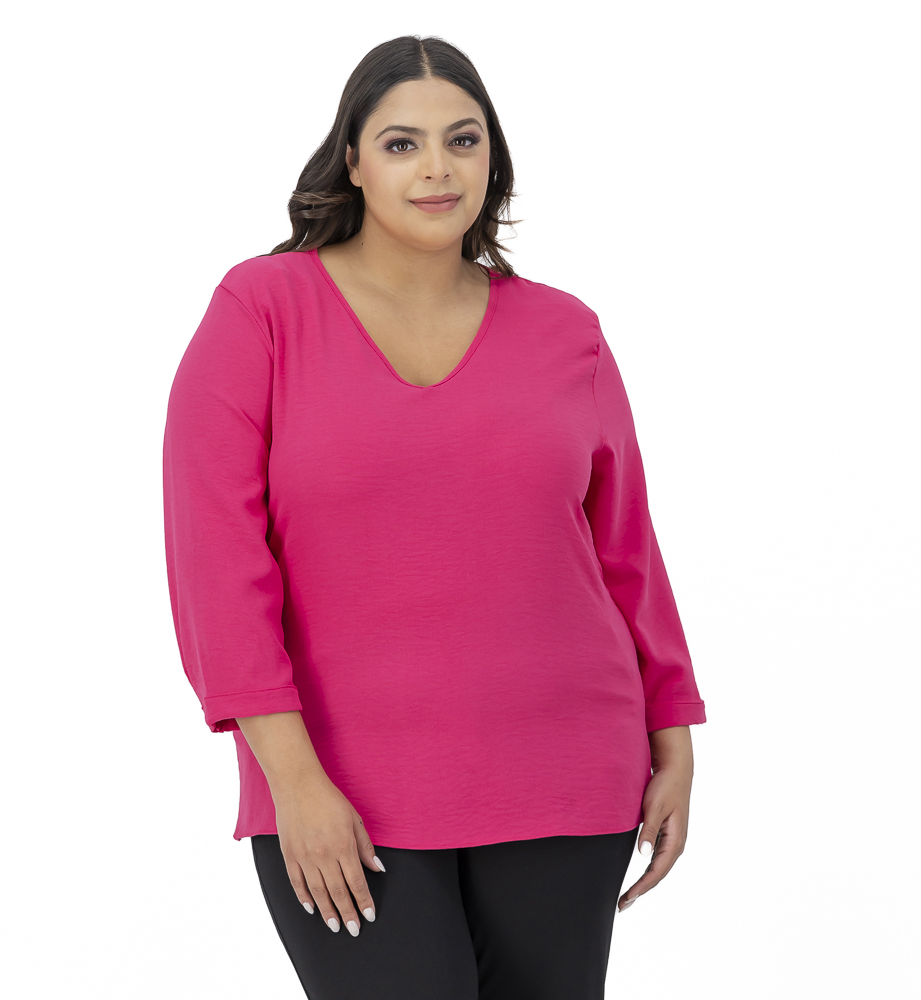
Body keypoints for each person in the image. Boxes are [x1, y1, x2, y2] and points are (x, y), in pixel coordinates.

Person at [162, 33, 706, 1000]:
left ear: (493, 157)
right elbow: (216, 560)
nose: (437, 168)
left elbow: (625, 550)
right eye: (402, 143)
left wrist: (674, 729)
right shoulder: (262, 309)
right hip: (341, 783)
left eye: (463, 139)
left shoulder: (567, 330)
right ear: (353, 160)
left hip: (569, 771)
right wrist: (293, 780)